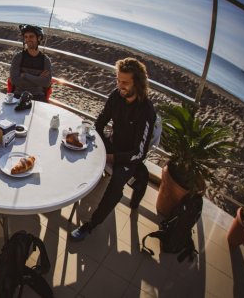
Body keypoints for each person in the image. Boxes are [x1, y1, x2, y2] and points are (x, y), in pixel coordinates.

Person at [70, 57, 157, 242]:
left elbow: (139, 153)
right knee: (82, 151)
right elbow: (100, 122)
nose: (120, 85)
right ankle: (73, 191)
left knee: (116, 185)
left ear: (138, 83)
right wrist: (98, 145)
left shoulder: (146, 111)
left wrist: (111, 158)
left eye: (125, 82)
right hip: (112, 144)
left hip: (129, 157)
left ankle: (90, 225)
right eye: (118, 80)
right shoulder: (116, 95)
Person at [9, 24, 52, 102]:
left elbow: (46, 83)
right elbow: (14, 80)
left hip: (38, 96)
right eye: (26, 37)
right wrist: (38, 79)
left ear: (39, 38)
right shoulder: (18, 57)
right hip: (18, 95)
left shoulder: (45, 60)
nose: (28, 39)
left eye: (31, 36)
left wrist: (25, 75)